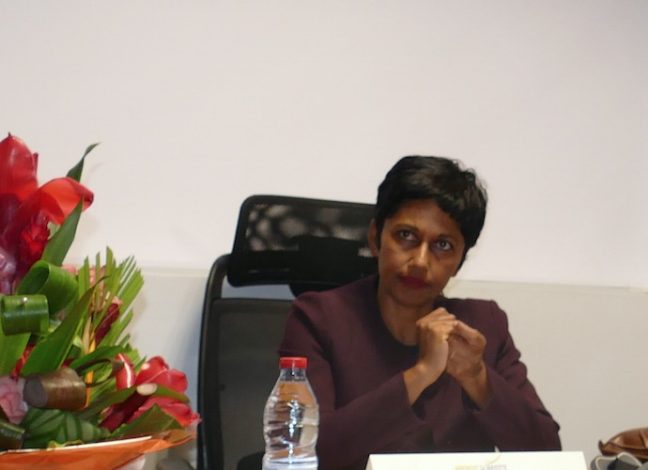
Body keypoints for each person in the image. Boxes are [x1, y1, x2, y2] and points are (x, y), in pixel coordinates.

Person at [278, 156, 561, 470]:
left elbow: (547, 453)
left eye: (443, 245)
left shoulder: (483, 325)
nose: (420, 262)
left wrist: (476, 377)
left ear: (459, 262)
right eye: (406, 236)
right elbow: (305, 453)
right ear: (375, 238)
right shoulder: (318, 319)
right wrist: (421, 373)